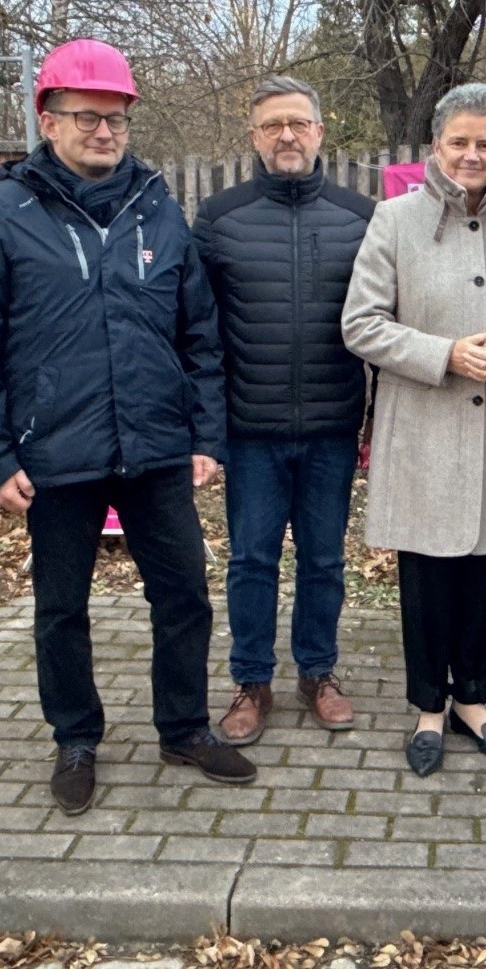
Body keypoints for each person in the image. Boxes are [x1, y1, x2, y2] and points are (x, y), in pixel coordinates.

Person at [0, 38, 256, 816]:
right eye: (86, 117)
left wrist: (205, 436)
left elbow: (199, 335)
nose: (104, 132)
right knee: (62, 606)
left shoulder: (157, 206)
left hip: (154, 447)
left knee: (184, 594)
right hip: (54, 453)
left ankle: (182, 727)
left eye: (116, 118)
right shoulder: (0, 215)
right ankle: (75, 737)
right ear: (46, 120)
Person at [343, 83, 486, 777]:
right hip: (424, 431)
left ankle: (473, 697)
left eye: (485, 143)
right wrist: (445, 354)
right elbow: (361, 323)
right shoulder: (394, 219)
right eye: (459, 142)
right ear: (436, 147)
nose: (472, 155)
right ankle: (427, 708)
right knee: (427, 580)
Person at [191, 77, 374, 745]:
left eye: (298, 123)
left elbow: (382, 325)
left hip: (331, 425)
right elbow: (199, 334)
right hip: (249, 431)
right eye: (273, 126)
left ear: (321, 132)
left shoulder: (361, 216)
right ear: (254, 137)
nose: (287, 136)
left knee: (324, 561)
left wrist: (375, 422)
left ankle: (318, 673)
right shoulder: (219, 217)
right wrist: (205, 432)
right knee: (251, 560)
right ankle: (251, 680)